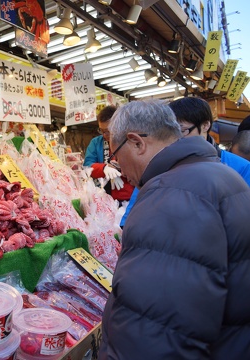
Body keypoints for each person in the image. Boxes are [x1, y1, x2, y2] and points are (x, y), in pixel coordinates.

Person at [99, 99, 250, 360]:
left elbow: (156, 332)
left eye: (116, 156)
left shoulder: (171, 196)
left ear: (137, 142)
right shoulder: (221, 175)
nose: (120, 170)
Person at [120, 96, 250, 227]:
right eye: (171, 132)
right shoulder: (158, 164)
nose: (176, 138)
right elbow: (133, 210)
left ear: (205, 125)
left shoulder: (241, 167)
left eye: (182, 131)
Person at [83, 105, 135, 202]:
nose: (104, 135)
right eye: (101, 131)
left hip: (131, 196)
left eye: (108, 131)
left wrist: (119, 169)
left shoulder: (129, 140)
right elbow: (87, 166)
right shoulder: (96, 142)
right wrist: (104, 168)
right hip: (103, 197)